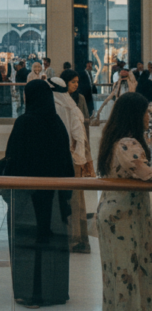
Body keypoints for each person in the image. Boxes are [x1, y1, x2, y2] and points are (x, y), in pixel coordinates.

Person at [3, 80, 75, 307]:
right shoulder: (57, 123)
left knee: (28, 246)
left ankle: (31, 293)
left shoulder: (24, 123)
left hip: (27, 197)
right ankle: (54, 292)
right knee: (50, 243)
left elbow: (12, 160)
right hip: (53, 197)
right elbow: (67, 164)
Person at [96, 92, 152, 310]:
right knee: (126, 273)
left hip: (119, 214)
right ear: (134, 115)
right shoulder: (128, 143)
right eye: (146, 112)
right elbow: (146, 172)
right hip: (123, 218)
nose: (148, 117)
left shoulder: (118, 138)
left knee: (118, 272)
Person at [57, 70, 94, 254]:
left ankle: (78, 238)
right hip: (67, 154)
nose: (76, 84)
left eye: (77, 81)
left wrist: (86, 156)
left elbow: (83, 127)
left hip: (76, 154)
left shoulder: (78, 100)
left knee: (77, 198)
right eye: (72, 81)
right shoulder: (60, 101)